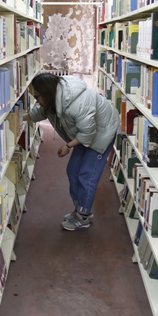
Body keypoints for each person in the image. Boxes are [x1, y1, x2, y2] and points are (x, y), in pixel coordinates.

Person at [23, 73, 120, 231]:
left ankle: (83, 216)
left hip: (102, 133)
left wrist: (68, 146)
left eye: (37, 96)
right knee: (73, 170)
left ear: (47, 93)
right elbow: (41, 112)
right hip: (84, 133)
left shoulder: (77, 104)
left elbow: (88, 134)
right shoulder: (55, 98)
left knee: (86, 175)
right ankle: (80, 208)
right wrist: (17, 118)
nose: (36, 100)